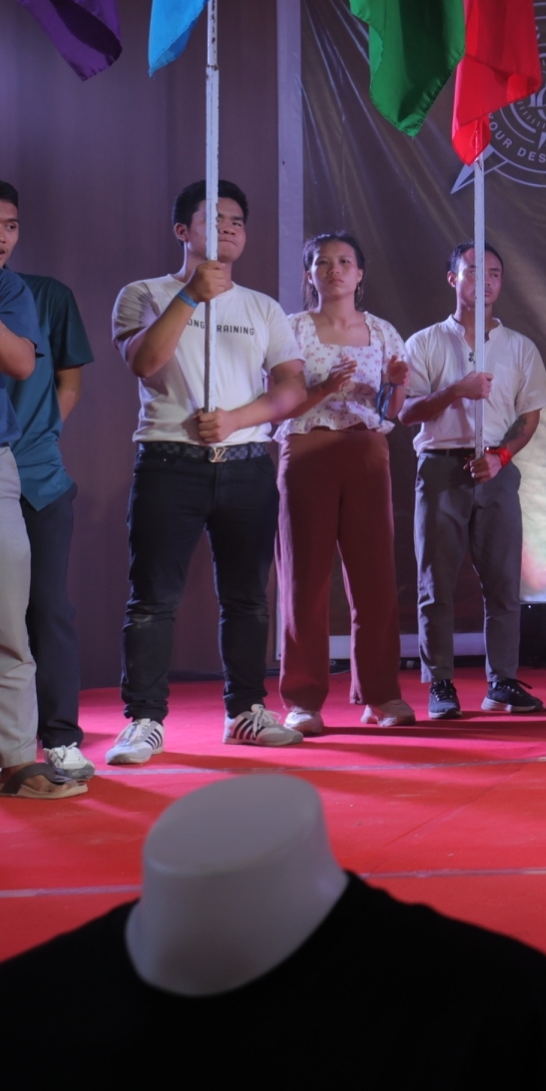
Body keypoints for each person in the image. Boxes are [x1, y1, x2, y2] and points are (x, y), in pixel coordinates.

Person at [107, 180, 308, 767]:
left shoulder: (263, 308)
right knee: (153, 599)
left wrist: (237, 420)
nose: (228, 228)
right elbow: (145, 363)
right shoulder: (144, 294)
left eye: (237, 220)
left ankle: (245, 711)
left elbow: (292, 388)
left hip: (245, 465)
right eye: (214, 219)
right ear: (182, 231)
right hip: (170, 462)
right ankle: (144, 721)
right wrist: (191, 295)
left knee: (247, 599)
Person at [0, 177, 97, 779]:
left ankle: (58, 738)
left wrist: (41, 432)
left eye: (11, 225)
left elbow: (44, 370)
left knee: (42, 610)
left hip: (30, 473)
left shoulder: (25, 291)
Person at [400, 242, 546, 719]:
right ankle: (441, 683)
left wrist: (502, 456)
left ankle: (502, 681)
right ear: (453, 279)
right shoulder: (425, 342)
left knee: (504, 584)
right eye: (473, 271)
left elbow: (530, 415)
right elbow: (406, 412)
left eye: (493, 273)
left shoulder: (519, 347)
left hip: (495, 470)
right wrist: (457, 391)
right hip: (440, 467)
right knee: (436, 584)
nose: (484, 281)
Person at [275, 232, 412, 735]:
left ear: (360, 273)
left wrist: (395, 383)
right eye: (322, 262)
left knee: (375, 577)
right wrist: (324, 389)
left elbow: (391, 411)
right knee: (305, 579)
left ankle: (381, 694)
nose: (334, 269)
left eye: (344, 261)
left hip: (366, 451)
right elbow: (279, 404)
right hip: (307, 449)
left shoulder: (383, 331)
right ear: (309, 273)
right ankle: (303, 699)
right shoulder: (291, 329)